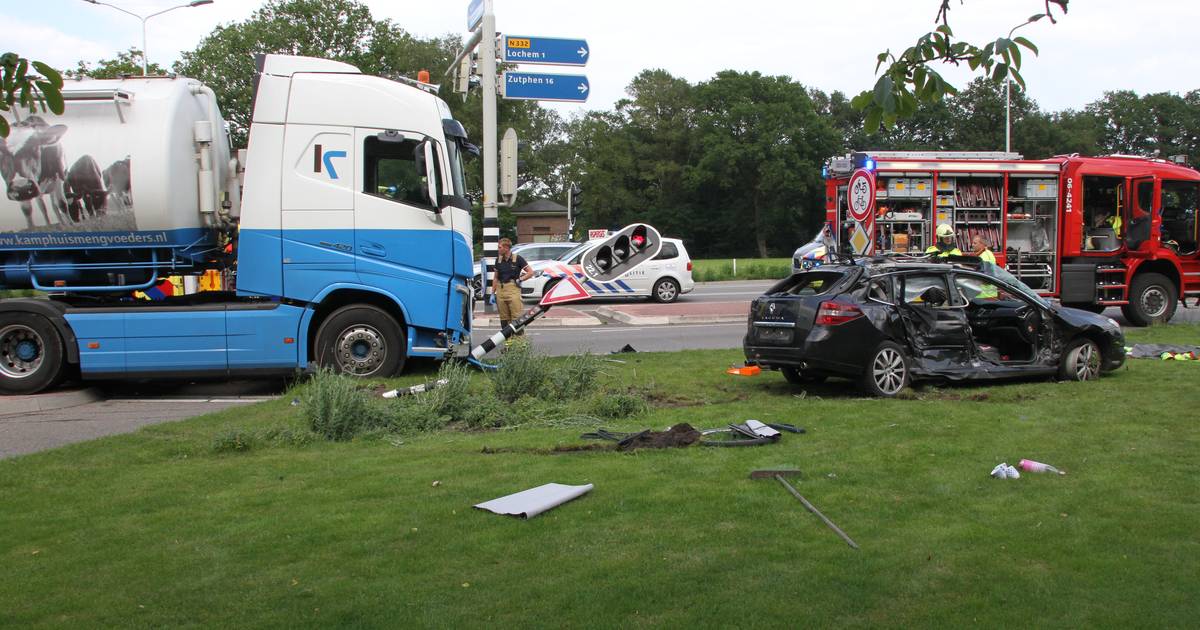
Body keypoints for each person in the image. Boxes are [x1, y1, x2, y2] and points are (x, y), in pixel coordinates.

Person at [491, 237, 534, 334]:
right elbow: (495, 278)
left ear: (506, 248)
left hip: (513, 289)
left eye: (499, 247)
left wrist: (520, 279)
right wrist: (492, 293)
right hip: (501, 291)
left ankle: (519, 344)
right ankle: (508, 344)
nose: (498, 249)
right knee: (504, 319)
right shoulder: (498, 260)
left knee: (517, 318)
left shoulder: (517, 259)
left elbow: (530, 272)